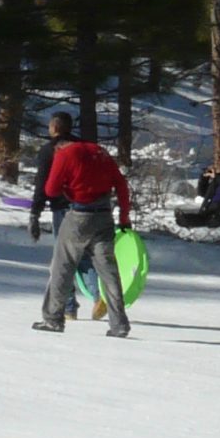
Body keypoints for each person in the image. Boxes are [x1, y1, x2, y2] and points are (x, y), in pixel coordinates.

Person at [29, 112, 132, 339]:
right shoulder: (99, 151)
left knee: (62, 267)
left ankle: (53, 319)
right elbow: (121, 185)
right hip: (104, 216)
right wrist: (124, 217)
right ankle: (119, 324)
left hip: (79, 216)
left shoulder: (64, 155)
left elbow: (50, 190)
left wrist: (67, 189)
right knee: (108, 271)